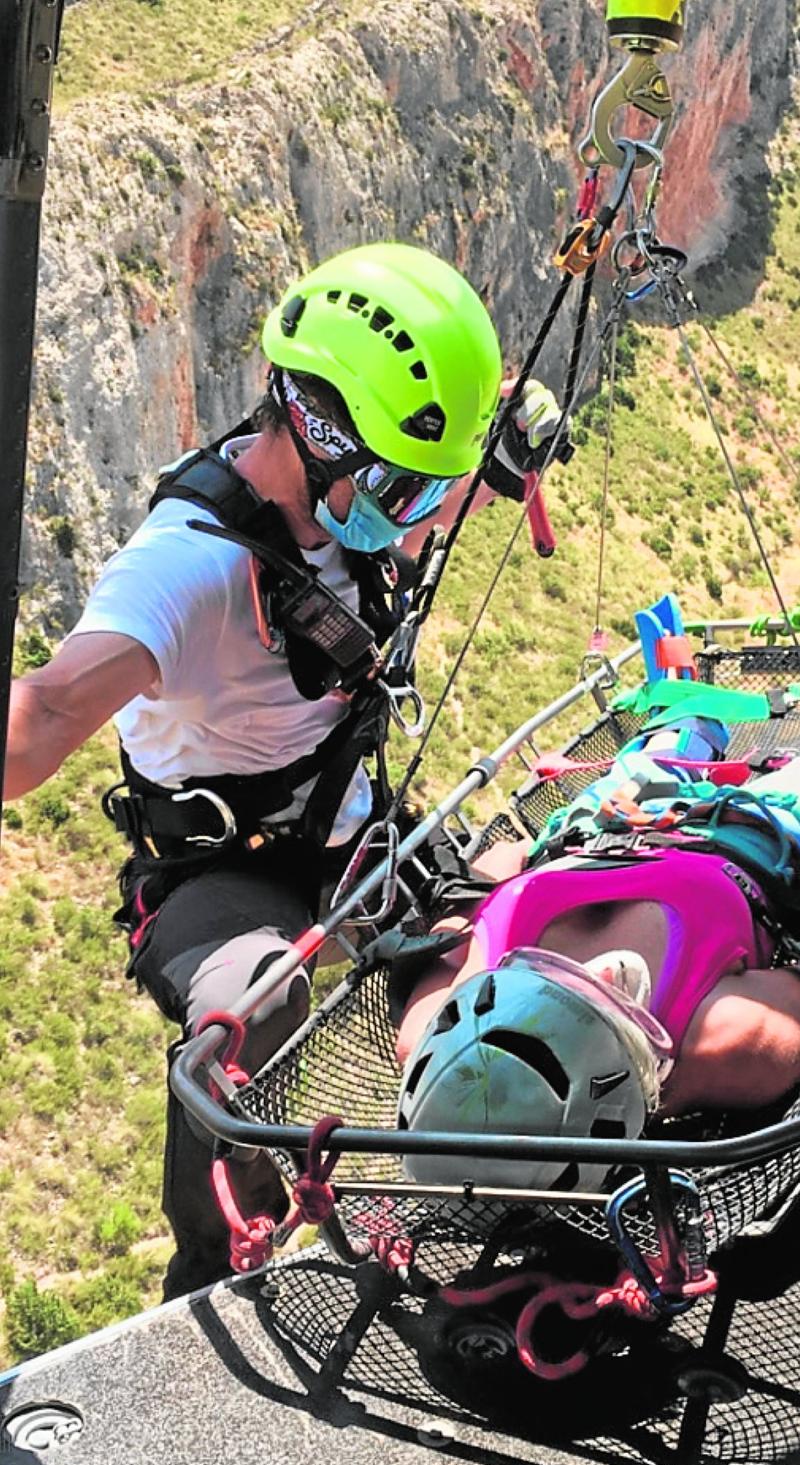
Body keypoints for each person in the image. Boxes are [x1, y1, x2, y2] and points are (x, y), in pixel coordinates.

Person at [4, 241, 562, 1296]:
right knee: (252, 1010)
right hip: (220, 872)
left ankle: (461, 1172)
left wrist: (497, 466)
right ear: (316, 429)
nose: (420, 515)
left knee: (518, 925)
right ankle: (216, 1267)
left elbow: (420, 506)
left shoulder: (353, 498)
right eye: (402, 483)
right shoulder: (190, 564)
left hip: (346, 819)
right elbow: (48, 713)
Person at [392, 718, 800, 1191]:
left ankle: (692, 721)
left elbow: (491, 867)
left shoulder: (425, 1030)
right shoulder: (729, 1044)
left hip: (602, 821)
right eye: (606, 1001)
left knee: (659, 751)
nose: (600, 971)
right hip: (745, 830)